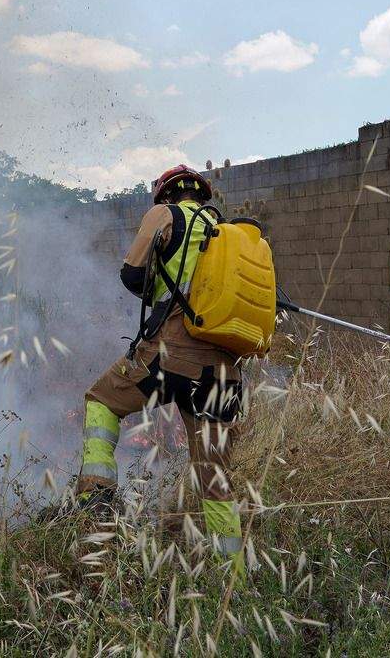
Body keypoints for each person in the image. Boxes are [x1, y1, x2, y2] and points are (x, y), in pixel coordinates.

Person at [74, 164, 245, 566]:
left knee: (101, 400)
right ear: (202, 195)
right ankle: (232, 576)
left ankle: (96, 497)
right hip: (225, 372)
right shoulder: (233, 236)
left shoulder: (165, 214)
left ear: (167, 194)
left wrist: (159, 290)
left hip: (172, 353)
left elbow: (132, 274)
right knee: (215, 480)